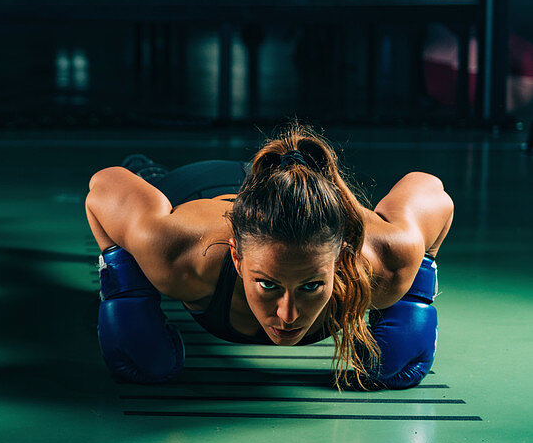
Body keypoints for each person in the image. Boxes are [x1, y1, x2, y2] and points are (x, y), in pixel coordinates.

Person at [84, 123, 454, 389]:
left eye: (311, 285)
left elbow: (431, 192)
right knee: (143, 208)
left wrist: (412, 296)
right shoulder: (181, 253)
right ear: (237, 258)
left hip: (308, 199)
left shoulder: (382, 262)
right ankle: (150, 170)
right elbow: (105, 185)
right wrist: (129, 291)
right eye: (267, 284)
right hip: (202, 188)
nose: (288, 315)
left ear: (341, 259)